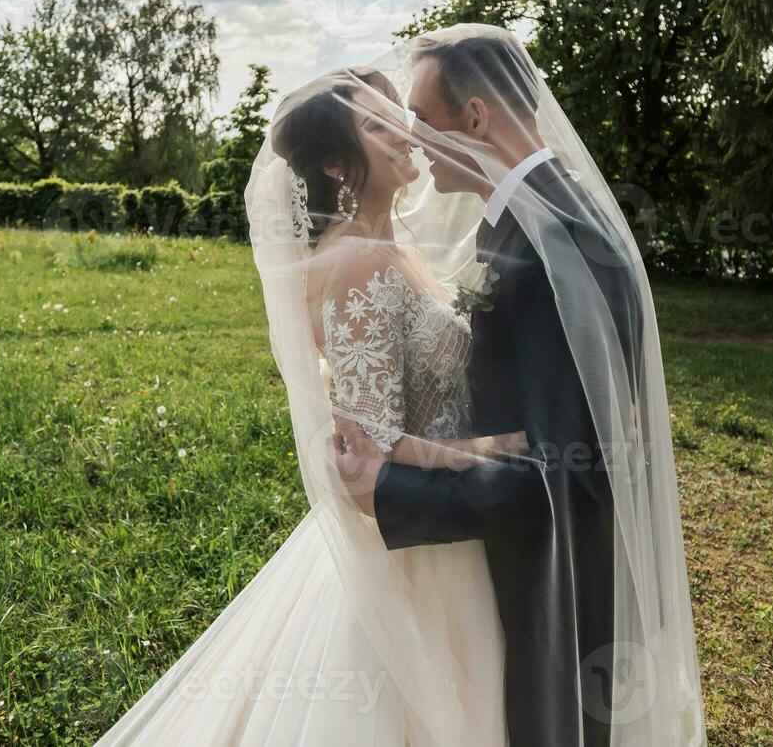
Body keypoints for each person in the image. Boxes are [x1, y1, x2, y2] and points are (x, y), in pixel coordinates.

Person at [94, 63, 515, 747]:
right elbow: (371, 439)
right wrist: (493, 452)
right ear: (334, 161)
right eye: (378, 125)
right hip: (417, 547)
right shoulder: (354, 262)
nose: (406, 134)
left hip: (448, 523)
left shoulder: (390, 248)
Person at [331, 24, 706, 747]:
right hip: (534, 562)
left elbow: (561, 472)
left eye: (422, 118)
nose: (412, 139)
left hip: (561, 586)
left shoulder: (555, 245)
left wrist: (387, 488)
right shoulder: (526, 221)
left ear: (475, 117)